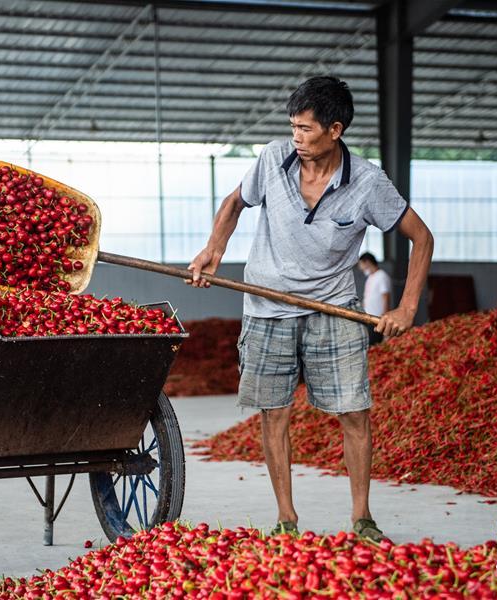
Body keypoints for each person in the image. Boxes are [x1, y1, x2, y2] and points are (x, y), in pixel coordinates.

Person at [186, 76, 433, 541]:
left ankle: (362, 518)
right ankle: (287, 519)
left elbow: (422, 237)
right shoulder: (272, 160)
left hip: (333, 308)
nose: (296, 138)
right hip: (266, 304)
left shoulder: (367, 182)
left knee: (354, 412)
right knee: (274, 413)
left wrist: (407, 307)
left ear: (335, 129)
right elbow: (236, 202)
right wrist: (212, 250)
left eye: (306, 129)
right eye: (293, 127)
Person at [357, 252, 392, 346]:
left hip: (376, 319)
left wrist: (384, 318)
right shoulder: (370, 278)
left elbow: (386, 298)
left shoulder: (382, 276)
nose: (361, 268)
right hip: (367, 318)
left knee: (374, 346)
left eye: (361, 264)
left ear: (367, 262)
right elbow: (367, 299)